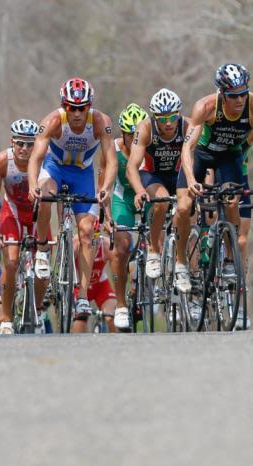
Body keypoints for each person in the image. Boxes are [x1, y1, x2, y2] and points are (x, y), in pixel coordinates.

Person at [177, 63, 253, 329]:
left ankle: (230, 260)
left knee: (232, 198)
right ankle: (181, 263)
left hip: (230, 156)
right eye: (233, 95)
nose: (239, 100)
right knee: (184, 207)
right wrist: (193, 180)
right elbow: (188, 148)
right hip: (201, 155)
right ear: (221, 93)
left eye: (243, 93)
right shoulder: (206, 107)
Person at [27, 77, 117, 322]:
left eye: (82, 108)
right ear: (64, 106)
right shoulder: (53, 121)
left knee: (87, 231)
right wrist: (33, 183)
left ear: (89, 107)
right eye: (71, 108)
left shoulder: (101, 122)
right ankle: (44, 249)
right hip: (55, 168)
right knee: (45, 195)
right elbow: (36, 157)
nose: (77, 113)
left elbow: (111, 160)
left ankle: (83, 297)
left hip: (82, 173)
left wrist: (106, 188)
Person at [126, 88, 190, 286]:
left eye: (172, 117)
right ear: (154, 117)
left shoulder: (187, 126)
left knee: (186, 209)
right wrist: (139, 191)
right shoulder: (145, 128)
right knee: (161, 202)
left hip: (178, 174)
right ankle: (154, 249)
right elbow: (131, 166)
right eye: (162, 119)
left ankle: (181, 264)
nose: (168, 123)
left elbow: (199, 159)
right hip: (153, 175)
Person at [0, 118, 48, 335]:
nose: (25, 149)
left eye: (30, 144)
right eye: (20, 144)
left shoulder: (44, 160)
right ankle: (6, 318)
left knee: (43, 269)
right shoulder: (1, 161)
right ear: (11, 142)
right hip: (13, 211)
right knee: (11, 261)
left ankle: (38, 309)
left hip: (37, 214)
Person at [107, 103, 149, 331]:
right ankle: (121, 305)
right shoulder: (113, 149)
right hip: (122, 198)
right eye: (130, 134)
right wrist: (105, 215)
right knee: (120, 247)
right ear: (122, 132)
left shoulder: (149, 145)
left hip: (147, 196)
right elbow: (104, 182)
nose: (134, 139)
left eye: (138, 134)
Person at [72, 221, 117, 333]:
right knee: (79, 323)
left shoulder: (105, 244)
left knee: (111, 318)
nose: (94, 239)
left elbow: (117, 265)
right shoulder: (76, 243)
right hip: (79, 287)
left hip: (100, 287)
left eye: (96, 235)